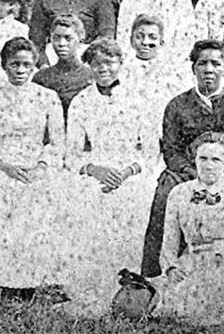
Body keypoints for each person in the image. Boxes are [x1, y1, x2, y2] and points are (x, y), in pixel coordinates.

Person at [140, 39, 224, 279]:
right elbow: (171, 151)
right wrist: (194, 174)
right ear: (193, 68)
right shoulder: (176, 105)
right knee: (165, 191)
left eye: (216, 63)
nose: (208, 69)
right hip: (188, 173)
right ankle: (155, 275)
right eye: (202, 63)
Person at [0, 37, 68, 304]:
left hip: (37, 166)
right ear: (4, 66)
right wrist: (5, 166)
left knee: (43, 201)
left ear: (34, 65)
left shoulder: (47, 97)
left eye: (26, 65)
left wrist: (42, 166)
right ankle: (0, 281)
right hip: (2, 166)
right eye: (14, 64)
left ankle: (36, 282)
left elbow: (57, 142)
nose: (21, 70)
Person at [64, 38, 161, 311]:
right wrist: (95, 169)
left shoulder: (139, 98)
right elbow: (71, 154)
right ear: (90, 67)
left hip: (131, 171)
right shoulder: (81, 101)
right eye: (97, 64)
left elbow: (152, 151)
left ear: (120, 64)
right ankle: (95, 284)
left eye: (109, 63)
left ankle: (131, 288)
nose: (103, 69)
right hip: (96, 171)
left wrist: (127, 171)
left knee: (137, 201)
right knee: (87, 203)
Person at [157, 132, 224, 323]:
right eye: (203, 159)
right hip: (192, 264)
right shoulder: (179, 193)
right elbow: (169, 243)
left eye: (216, 159)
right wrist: (171, 268)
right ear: (194, 159)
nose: (208, 165)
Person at [31, 15, 94, 123]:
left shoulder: (91, 77)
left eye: (68, 38)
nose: (61, 44)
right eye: (56, 38)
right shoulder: (41, 78)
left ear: (80, 39)